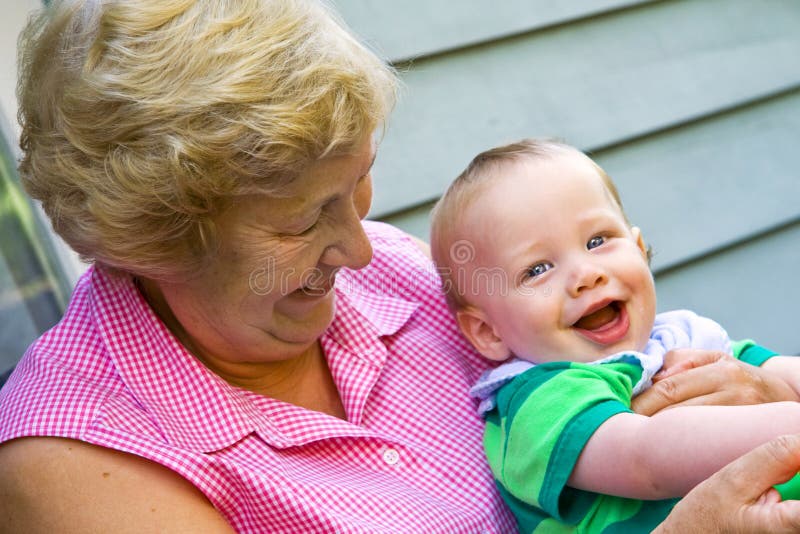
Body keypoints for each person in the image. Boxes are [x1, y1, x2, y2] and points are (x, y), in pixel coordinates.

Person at [0, 1, 796, 532]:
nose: (362, 249)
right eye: (306, 219)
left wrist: (749, 389)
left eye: (355, 187)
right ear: (152, 241)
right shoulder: (78, 464)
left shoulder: (405, 274)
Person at [429, 138, 800, 532]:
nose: (586, 275)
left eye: (597, 241)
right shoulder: (539, 399)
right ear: (488, 331)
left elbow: (778, 371)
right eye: (537, 269)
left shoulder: (677, 336)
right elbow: (648, 456)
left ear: (639, 249)